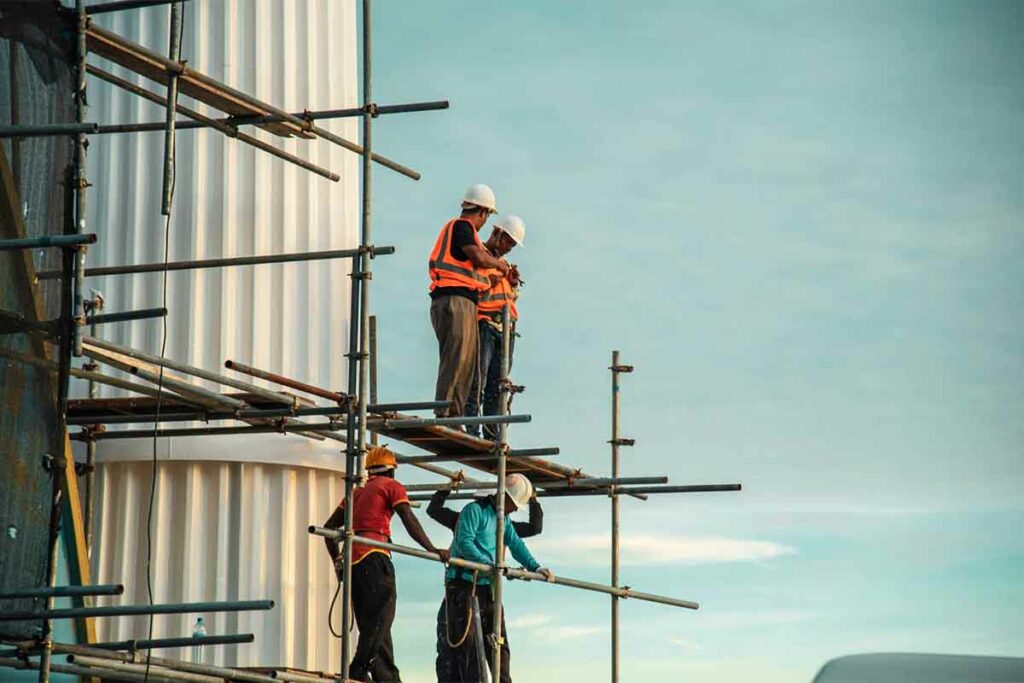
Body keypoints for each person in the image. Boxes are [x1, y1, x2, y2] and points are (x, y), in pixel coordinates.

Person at [322, 445, 451, 682]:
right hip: (374, 555)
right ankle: (358, 669)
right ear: (391, 471)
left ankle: (387, 677)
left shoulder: (356, 493)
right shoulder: (391, 486)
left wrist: (338, 562)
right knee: (382, 618)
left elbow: (328, 530)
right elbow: (408, 518)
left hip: (354, 562)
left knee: (374, 624)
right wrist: (431, 548)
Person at [439, 474, 554, 682]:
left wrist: (535, 567)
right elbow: (465, 542)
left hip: (487, 586)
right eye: (514, 504)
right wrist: (488, 565)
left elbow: (516, 544)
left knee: (498, 644)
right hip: (465, 585)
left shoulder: (504, 520)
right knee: (469, 647)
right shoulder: (474, 511)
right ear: (505, 498)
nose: (515, 509)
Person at [429, 184, 511, 419]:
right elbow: (477, 256)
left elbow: (476, 260)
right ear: (484, 212)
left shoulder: (466, 235)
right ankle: (444, 413)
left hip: (460, 301)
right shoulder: (462, 227)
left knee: (465, 363)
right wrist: (497, 263)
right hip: (453, 300)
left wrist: (491, 254)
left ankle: (454, 415)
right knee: (456, 359)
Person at [464, 215, 525, 439]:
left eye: (512, 243)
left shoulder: (503, 265)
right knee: (477, 380)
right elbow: (474, 288)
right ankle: (471, 429)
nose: (509, 247)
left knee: (497, 386)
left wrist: (513, 283)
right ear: (497, 233)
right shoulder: (479, 256)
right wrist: (495, 278)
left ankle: (492, 434)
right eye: (508, 241)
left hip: (505, 330)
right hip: (485, 325)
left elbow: (509, 298)